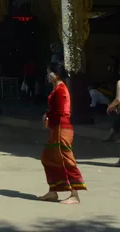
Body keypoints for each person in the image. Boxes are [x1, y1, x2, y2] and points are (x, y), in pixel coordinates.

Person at [39, 62, 86, 205]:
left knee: (66, 159)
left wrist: (47, 116)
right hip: (56, 128)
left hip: (62, 128)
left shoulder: (60, 90)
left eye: (50, 72)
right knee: (48, 157)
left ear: (57, 74)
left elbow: (61, 112)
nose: (48, 75)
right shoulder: (57, 89)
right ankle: (53, 190)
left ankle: (75, 194)